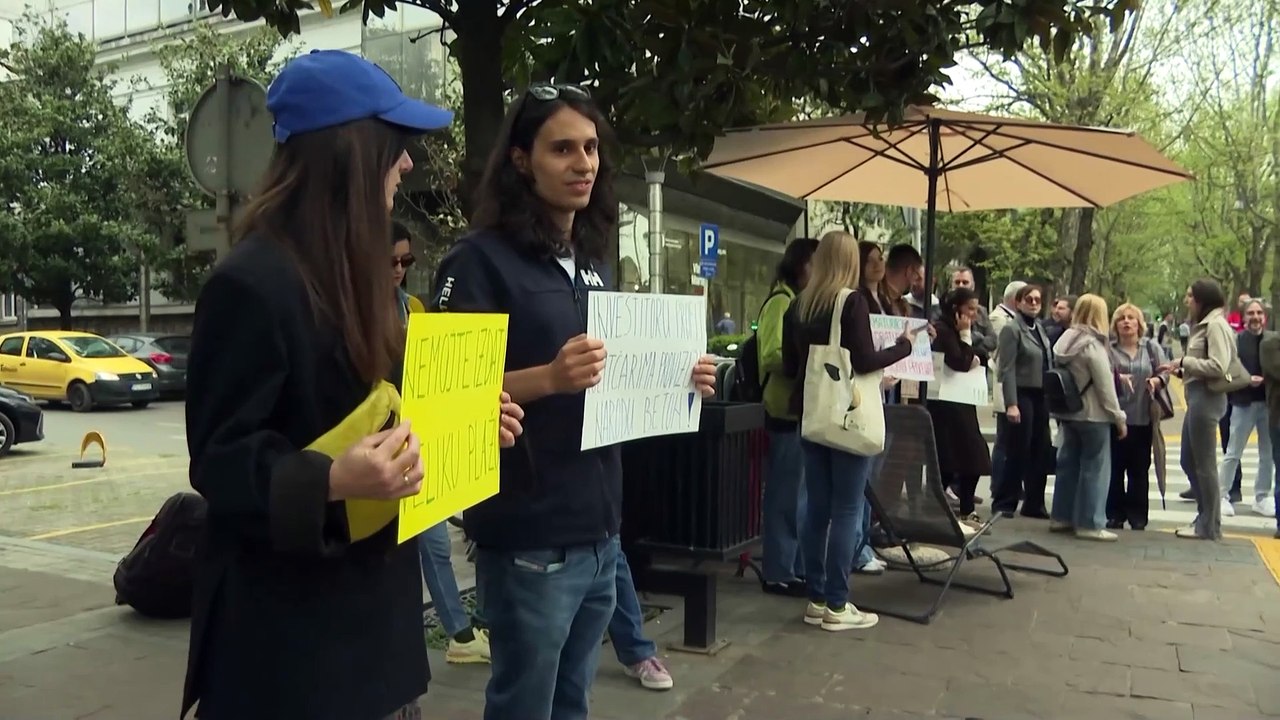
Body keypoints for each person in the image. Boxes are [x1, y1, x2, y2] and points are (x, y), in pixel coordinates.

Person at [182, 50, 523, 720]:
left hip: (376, 643)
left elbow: (385, 414)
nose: (407, 165)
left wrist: (465, 422)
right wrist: (332, 480)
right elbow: (220, 461)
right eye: (396, 147)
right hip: (290, 657)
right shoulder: (251, 285)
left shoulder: (362, 275)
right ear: (348, 152)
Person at [429, 83, 716, 720]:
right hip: (530, 537)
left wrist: (677, 376)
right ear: (521, 160)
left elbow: (607, 373)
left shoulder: (591, 260)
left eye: (590, 147)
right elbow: (442, 401)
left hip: (600, 532)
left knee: (573, 704)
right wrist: (547, 379)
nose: (583, 162)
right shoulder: (475, 263)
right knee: (523, 707)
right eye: (562, 148)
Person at [782, 230, 917, 632]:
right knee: (846, 509)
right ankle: (839, 606)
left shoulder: (799, 306)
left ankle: (817, 599)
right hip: (849, 417)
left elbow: (792, 368)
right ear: (850, 263)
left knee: (818, 509)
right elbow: (863, 360)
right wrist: (903, 346)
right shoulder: (851, 302)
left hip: (813, 417)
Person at [392, 222, 492, 664]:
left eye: (406, 261)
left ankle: (461, 635)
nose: (398, 269)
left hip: (418, 434)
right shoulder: (358, 307)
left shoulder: (414, 307)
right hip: (383, 442)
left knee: (431, 543)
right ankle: (459, 635)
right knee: (423, 545)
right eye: (390, 261)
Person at [757, 237, 821, 596]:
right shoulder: (780, 302)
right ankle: (779, 570)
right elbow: (769, 355)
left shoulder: (797, 302)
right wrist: (805, 362)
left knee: (798, 495)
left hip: (798, 410)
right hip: (783, 409)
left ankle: (791, 566)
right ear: (800, 266)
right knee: (784, 496)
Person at [1159, 279, 1235, 541]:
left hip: (1208, 398)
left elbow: (1218, 366)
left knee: (1204, 464)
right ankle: (1206, 517)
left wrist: (1184, 360)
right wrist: (1181, 370)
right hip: (1197, 395)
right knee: (1188, 460)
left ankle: (1209, 525)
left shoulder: (1215, 325)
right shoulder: (1204, 324)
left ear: (1202, 299)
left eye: (1190, 296)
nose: (1186, 300)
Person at [1048, 294, 1126, 542]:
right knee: (1095, 467)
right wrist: (1118, 417)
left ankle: (1061, 517)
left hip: (1068, 411)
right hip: (1093, 413)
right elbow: (1105, 386)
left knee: (1068, 465)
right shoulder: (1093, 344)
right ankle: (1090, 523)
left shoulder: (1065, 339)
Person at [928, 287, 992, 528]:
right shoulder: (945, 330)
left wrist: (972, 351)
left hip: (962, 401)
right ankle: (946, 506)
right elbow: (961, 361)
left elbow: (981, 353)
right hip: (947, 405)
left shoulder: (956, 330)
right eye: (970, 309)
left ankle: (964, 507)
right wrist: (966, 338)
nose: (974, 315)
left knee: (969, 456)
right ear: (956, 310)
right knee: (953, 457)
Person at [1105, 302, 1170, 531]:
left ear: (1139, 323)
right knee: (1114, 469)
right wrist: (1117, 378)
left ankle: (1138, 515)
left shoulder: (1151, 348)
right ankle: (1114, 514)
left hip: (1143, 418)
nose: (1126, 322)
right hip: (1116, 418)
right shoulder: (1108, 348)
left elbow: (1165, 371)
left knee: (1139, 469)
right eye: (1121, 318)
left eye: (1131, 318)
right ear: (1115, 324)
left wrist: (1157, 380)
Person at [992, 284, 1053, 519]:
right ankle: (1005, 501)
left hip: (1040, 395)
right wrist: (1011, 403)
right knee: (1018, 448)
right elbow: (1006, 369)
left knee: (1041, 449)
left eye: (1038, 300)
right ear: (1018, 303)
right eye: (1029, 299)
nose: (1034, 303)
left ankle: (1034, 503)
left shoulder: (1039, 328)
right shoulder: (1012, 329)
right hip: (1022, 392)